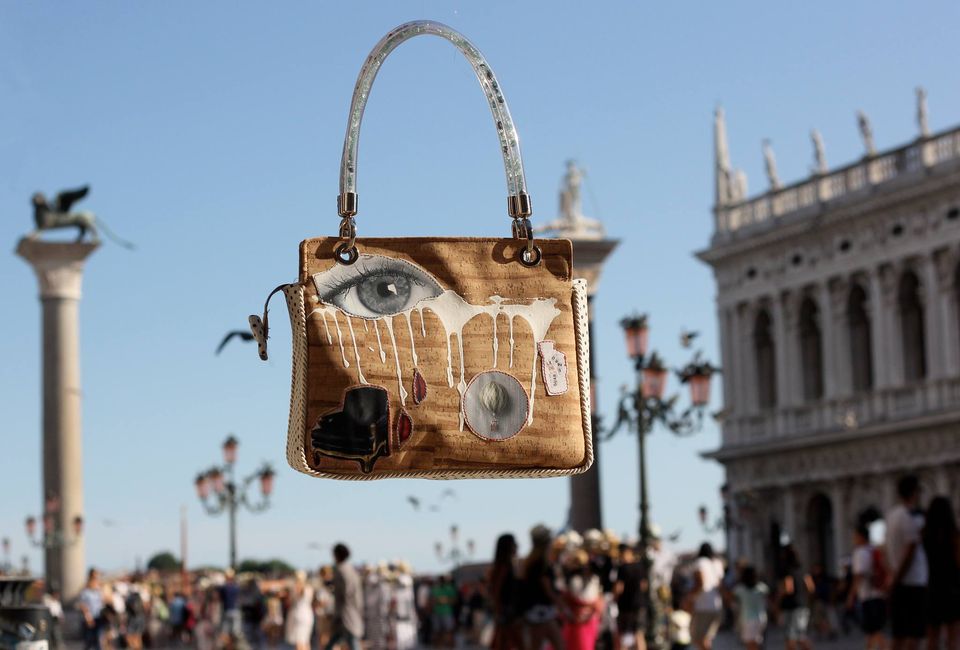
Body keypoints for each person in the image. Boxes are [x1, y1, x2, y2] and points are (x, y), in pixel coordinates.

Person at [885, 475, 929, 650]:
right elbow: (910, 551)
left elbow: (884, 549)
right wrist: (897, 578)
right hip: (913, 581)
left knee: (899, 633)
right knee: (914, 634)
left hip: (899, 579)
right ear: (914, 492)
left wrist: (891, 573)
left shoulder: (892, 515)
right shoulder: (911, 517)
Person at [922, 496, 960, 650]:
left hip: (931, 587)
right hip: (952, 588)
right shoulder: (954, 535)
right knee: (953, 638)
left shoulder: (924, 535)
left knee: (932, 637)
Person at [521, 524, 567, 650]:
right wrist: (563, 606)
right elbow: (548, 590)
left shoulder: (532, 562)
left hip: (538, 611)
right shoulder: (541, 564)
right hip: (541, 612)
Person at [846, 524, 887, 650]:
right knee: (872, 630)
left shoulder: (860, 552)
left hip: (868, 595)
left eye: (855, 536)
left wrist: (851, 596)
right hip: (879, 593)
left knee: (874, 629)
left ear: (860, 537)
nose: (853, 539)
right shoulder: (873, 550)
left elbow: (859, 576)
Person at [561, 549, 604, 650]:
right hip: (576, 619)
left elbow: (596, 601)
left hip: (587, 619)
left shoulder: (593, 580)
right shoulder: (573, 580)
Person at [326, 543, 364, 650]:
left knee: (352, 641)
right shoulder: (351, 569)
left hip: (346, 614)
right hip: (351, 612)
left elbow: (344, 593)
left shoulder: (341, 570)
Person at [776, 544, 814, 650]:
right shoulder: (803, 570)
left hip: (790, 607)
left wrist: (777, 602)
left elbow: (788, 588)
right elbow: (811, 587)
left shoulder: (786, 571)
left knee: (791, 637)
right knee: (801, 635)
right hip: (802, 606)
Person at [489, 534, 523, 650]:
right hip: (507, 615)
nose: (517, 546)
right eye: (514, 543)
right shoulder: (504, 568)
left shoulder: (509, 566)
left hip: (509, 615)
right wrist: (500, 613)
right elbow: (496, 592)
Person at [689, 543, 724, 650]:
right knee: (706, 638)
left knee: (697, 637)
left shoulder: (700, 563)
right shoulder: (717, 563)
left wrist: (689, 598)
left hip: (703, 606)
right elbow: (719, 584)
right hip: (716, 605)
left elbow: (700, 583)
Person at [615, 544, 647, 650]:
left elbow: (619, 588)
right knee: (638, 634)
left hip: (625, 606)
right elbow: (644, 585)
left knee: (623, 636)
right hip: (639, 604)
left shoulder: (622, 568)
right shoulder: (640, 566)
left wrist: (614, 597)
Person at [733, 565, 768, 650]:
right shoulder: (762, 587)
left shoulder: (740, 589)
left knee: (750, 645)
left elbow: (733, 599)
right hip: (761, 618)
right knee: (757, 643)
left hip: (748, 620)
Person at [284, 570, 315, 650]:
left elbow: (289, 602)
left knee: (299, 642)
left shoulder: (296, 588)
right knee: (306, 641)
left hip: (298, 615)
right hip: (308, 615)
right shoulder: (309, 588)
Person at [78, 568, 104, 650]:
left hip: (98, 617)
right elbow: (82, 605)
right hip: (89, 619)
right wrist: (88, 617)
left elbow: (102, 602)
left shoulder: (98, 590)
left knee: (98, 641)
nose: (96, 579)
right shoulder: (85, 590)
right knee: (89, 641)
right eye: (94, 577)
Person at [430, 575, 457, 648]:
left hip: (447, 612)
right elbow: (431, 600)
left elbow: (454, 600)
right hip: (436, 612)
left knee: (449, 630)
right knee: (437, 631)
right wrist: (437, 601)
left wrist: (446, 600)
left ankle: (450, 646)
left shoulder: (449, 588)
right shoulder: (435, 589)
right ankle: (438, 646)